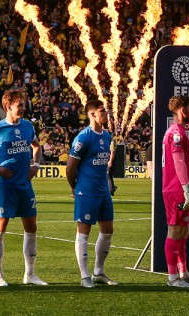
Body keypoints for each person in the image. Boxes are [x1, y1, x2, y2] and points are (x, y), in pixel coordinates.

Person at [0, 88, 46, 287]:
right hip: (6, 186)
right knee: (0, 227)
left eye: (24, 104)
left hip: (24, 185)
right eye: (20, 105)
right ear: (9, 106)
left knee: (31, 227)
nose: (23, 108)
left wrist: (35, 166)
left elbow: (36, 146)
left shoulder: (28, 126)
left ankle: (30, 274)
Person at [66, 99, 119, 288]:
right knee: (84, 232)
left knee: (107, 231)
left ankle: (98, 272)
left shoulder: (106, 136)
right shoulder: (83, 137)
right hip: (86, 191)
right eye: (102, 111)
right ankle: (84, 275)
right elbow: (70, 168)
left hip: (103, 192)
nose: (106, 114)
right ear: (92, 114)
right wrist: (74, 187)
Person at [161, 95, 189, 288]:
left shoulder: (178, 131)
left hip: (180, 188)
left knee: (184, 231)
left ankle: (183, 273)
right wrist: (186, 190)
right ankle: (172, 278)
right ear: (183, 110)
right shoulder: (176, 133)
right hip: (176, 189)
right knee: (175, 231)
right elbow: (178, 162)